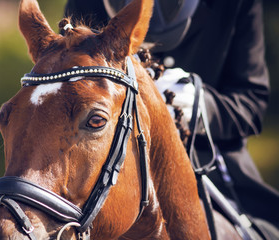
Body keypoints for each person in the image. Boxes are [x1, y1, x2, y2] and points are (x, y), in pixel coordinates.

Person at [64, 0, 279, 238]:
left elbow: (252, 102)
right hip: (108, 165)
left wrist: (202, 106)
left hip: (209, 166)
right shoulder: (86, 3)